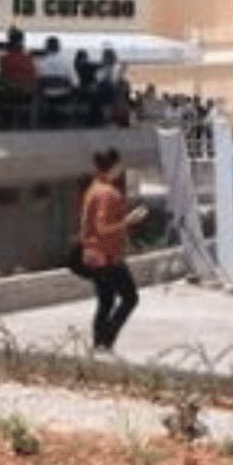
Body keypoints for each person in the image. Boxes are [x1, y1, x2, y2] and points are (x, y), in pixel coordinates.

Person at [79, 147, 146, 351]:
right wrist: (128, 220)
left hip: (93, 254)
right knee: (130, 297)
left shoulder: (94, 188)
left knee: (106, 300)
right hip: (107, 255)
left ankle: (99, 342)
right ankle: (106, 339)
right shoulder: (107, 193)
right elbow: (102, 227)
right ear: (114, 166)